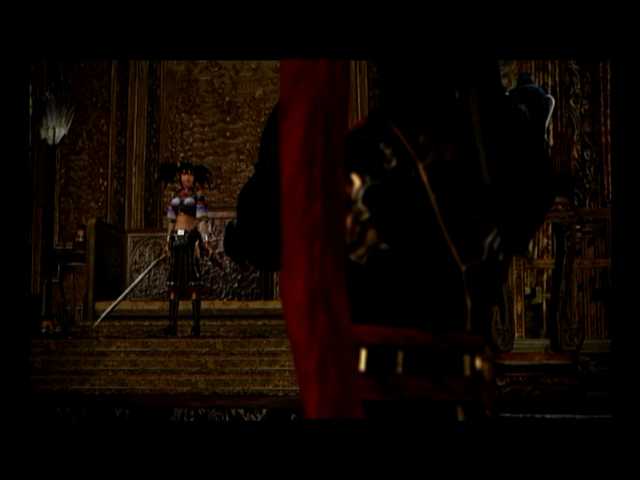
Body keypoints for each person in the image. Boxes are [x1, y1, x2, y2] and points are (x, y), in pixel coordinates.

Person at [162, 161, 211, 337]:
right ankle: (172, 325)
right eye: (184, 174)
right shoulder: (175, 197)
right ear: (180, 176)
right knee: (174, 282)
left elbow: (202, 221)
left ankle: (196, 326)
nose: (187, 177)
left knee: (193, 282)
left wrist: (205, 241)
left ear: (194, 177)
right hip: (177, 239)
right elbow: (171, 221)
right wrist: (167, 241)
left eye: (190, 174)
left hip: (191, 240)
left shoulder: (198, 196)